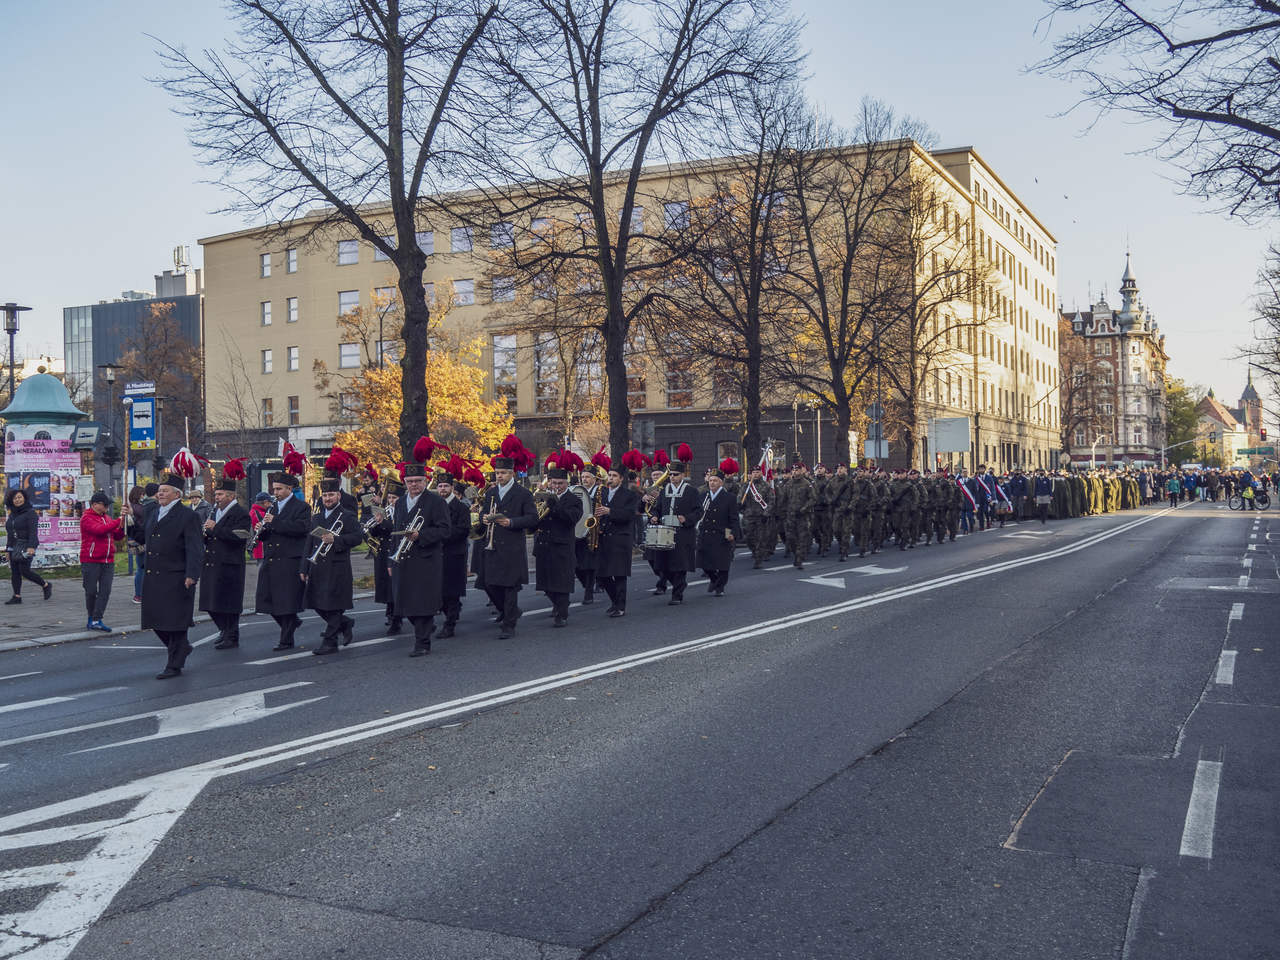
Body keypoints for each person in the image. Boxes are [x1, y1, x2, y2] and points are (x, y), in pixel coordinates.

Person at [135, 472, 203, 679]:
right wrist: (128, 522)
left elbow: (194, 547)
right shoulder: (154, 512)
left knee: (175, 622)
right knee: (155, 619)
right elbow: (142, 536)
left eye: (165, 491)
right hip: (154, 575)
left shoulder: (187, 516)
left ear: (177, 494)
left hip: (176, 575)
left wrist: (192, 574)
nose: (160, 494)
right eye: (159, 491)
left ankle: (174, 664)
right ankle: (181, 648)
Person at [389, 462, 451, 656]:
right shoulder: (399, 503)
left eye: (417, 481)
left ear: (425, 481)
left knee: (422, 602)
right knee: (406, 602)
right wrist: (390, 561)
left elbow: (445, 530)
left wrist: (421, 535)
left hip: (426, 559)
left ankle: (422, 643)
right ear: (405, 482)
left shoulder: (436, 501)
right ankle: (424, 630)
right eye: (410, 481)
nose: (413, 485)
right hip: (403, 559)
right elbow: (396, 533)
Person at [475, 455, 539, 638]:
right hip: (492, 544)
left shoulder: (523, 494)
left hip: (511, 546)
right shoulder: (491, 493)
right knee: (489, 583)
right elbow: (484, 513)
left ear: (512, 473)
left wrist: (511, 522)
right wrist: (483, 518)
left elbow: (533, 518)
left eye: (503, 473)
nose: (499, 476)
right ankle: (509, 611)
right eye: (497, 473)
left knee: (509, 586)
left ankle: (509, 625)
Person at [301, 477, 363, 655]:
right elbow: (309, 543)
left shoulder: (348, 516)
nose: (327, 498)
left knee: (334, 605)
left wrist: (336, 539)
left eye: (331, 495)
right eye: (325, 495)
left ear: (338, 496)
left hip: (337, 567)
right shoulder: (317, 517)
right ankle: (345, 623)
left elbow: (358, 538)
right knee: (318, 604)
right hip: (317, 566)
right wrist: (303, 568)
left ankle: (330, 643)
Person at [254, 471, 311, 650]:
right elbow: (270, 532)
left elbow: (302, 529)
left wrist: (276, 522)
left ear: (289, 488)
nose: (275, 493)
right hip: (271, 559)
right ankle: (292, 623)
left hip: (289, 559)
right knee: (265, 599)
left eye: (279, 489)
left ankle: (286, 639)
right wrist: (261, 530)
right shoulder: (273, 508)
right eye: (274, 489)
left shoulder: (301, 507)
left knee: (286, 601)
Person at [201, 477, 252, 649]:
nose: (217, 497)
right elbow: (213, 535)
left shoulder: (241, 513)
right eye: (216, 494)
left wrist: (216, 529)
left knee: (228, 602)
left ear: (231, 496)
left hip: (230, 564)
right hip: (212, 562)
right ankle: (224, 629)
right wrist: (206, 534)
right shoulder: (215, 511)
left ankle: (232, 635)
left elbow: (239, 537)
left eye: (221, 494)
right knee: (211, 602)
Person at [646, 455, 702, 605]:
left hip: (682, 533)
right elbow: (657, 508)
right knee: (664, 564)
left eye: (675, 475)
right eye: (670, 474)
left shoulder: (691, 491)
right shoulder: (664, 491)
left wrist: (687, 519)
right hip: (665, 532)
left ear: (683, 475)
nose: (672, 477)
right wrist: (654, 516)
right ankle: (679, 584)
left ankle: (677, 594)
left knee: (679, 564)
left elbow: (698, 511)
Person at [533, 465, 583, 627]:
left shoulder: (574, 500)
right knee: (545, 583)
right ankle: (558, 605)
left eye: (560, 483)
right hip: (543, 545)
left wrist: (555, 505)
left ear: (566, 483)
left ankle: (562, 614)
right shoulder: (543, 497)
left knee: (561, 583)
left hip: (561, 546)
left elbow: (571, 519)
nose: (556, 486)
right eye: (553, 483)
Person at [595, 465, 640, 617]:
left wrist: (610, 511)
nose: (610, 478)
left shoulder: (629, 495)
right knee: (602, 574)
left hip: (620, 538)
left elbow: (629, 515)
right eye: (609, 475)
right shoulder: (603, 492)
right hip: (604, 538)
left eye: (614, 476)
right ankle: (615, 601)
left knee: (619, 574)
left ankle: (620, 606)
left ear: (621, 478)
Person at [434, 469, 471, 639]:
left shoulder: (461, 507)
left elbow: (463, 530)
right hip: (436, 554)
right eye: (440, 486)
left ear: (451, 487)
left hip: (454, 554)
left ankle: (450, 624)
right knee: (439, 591)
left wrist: (441, 534)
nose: (442, 489)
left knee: (452, 591)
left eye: (446, 486)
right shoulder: (433, 506)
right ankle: (451, 614)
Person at [79, 491, 124, 630]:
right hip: (90, 560)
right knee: (91, 591)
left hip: (107, 561)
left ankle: (97, 619)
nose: (106, 508)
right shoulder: (86, 518)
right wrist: (119, 521)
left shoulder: (107, 518)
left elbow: (117, 536)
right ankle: (91, 617)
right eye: (104, 505)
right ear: (94, 504)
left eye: (107, 505)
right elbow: (99, 530)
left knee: (105, 591)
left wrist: (122, 526)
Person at [696, 469, 741, 596]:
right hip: (706, 531)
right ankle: (714, 579)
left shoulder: (729, 498)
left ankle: (720, 587)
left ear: (721, 483)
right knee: (704, 562)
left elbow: (733, 518)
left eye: (715, 480)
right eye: (710, 480)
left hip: (723, 531)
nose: (712, 483)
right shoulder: (703, 496)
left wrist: (732, 533)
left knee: (722, 563)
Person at [4, 489, 51, 604]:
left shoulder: (30, 513)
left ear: (24, 498)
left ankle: (45, 585)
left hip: (26, 545)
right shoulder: (12, 514)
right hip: (13, 546)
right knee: (15, 571)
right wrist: (7, 549)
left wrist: (31, 546)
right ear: (12, 501)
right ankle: (17, 596)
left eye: (19, 497)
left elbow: (33, 532)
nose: (17, 500)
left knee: (24, 571)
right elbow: (10, 532)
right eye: (15, 498)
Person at [574, 466, 602, 601]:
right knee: (577, 565)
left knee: (590, 564)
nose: (584, 479)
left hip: (595, 532)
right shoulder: (578, 491)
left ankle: (589, 592)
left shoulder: (600, 491)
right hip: (580, 531)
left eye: (587, 477)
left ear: (594, 479)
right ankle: (588, 585)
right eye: (583, 477)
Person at [129, 482, 159, 603]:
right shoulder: (149, 507)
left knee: (140, 568)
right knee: (144, 568)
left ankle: (138, 594)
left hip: (135, 540)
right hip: (143, 541)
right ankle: (140, 594)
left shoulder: (136, 506)